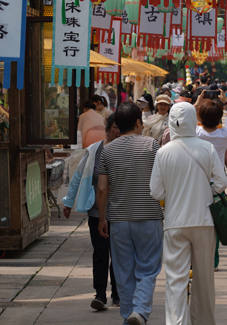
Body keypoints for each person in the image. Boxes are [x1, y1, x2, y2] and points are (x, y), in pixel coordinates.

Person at [150, 102, 227, 325]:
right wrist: (207, 191)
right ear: (194, 120)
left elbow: (156, 191)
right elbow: (221, 182)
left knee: (176, 279)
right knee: (205, 279)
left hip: (175, 222)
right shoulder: (207, 148)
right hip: (204, 220)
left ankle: (176, 322)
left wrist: (172, 195)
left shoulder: (163, 152)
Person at [97, 103, 163, 325]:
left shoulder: (108, 150)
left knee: (123, 270)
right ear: (138, 123)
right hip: (149, 217)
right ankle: (140, 311)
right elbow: (161, 181)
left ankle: (128, 315)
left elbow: (102, 188)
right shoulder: (151, 145)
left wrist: (102, 218)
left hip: (119, 220)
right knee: (148, 268)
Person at [62, 114, 120, 310]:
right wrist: (68, 202)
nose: (118, 132)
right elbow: (79, 175)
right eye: (115, 128)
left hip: (121, 213)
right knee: (101, 254)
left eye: (121, 128)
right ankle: (101, 294)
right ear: (108, 128)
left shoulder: (127, 150)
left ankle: (118, 293)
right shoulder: (94, 151)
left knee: (119, 254)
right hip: (97, 212)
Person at [196, 91, 227, 270]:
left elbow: (186, 117)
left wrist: (198, 100)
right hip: (217, 185)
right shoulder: (224, 135)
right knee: (216, 221)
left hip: (197, 183)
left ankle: (198, 258)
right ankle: (212, 261)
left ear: (200, 115)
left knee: (199, 221)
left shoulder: (196, 132)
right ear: (220, 117)